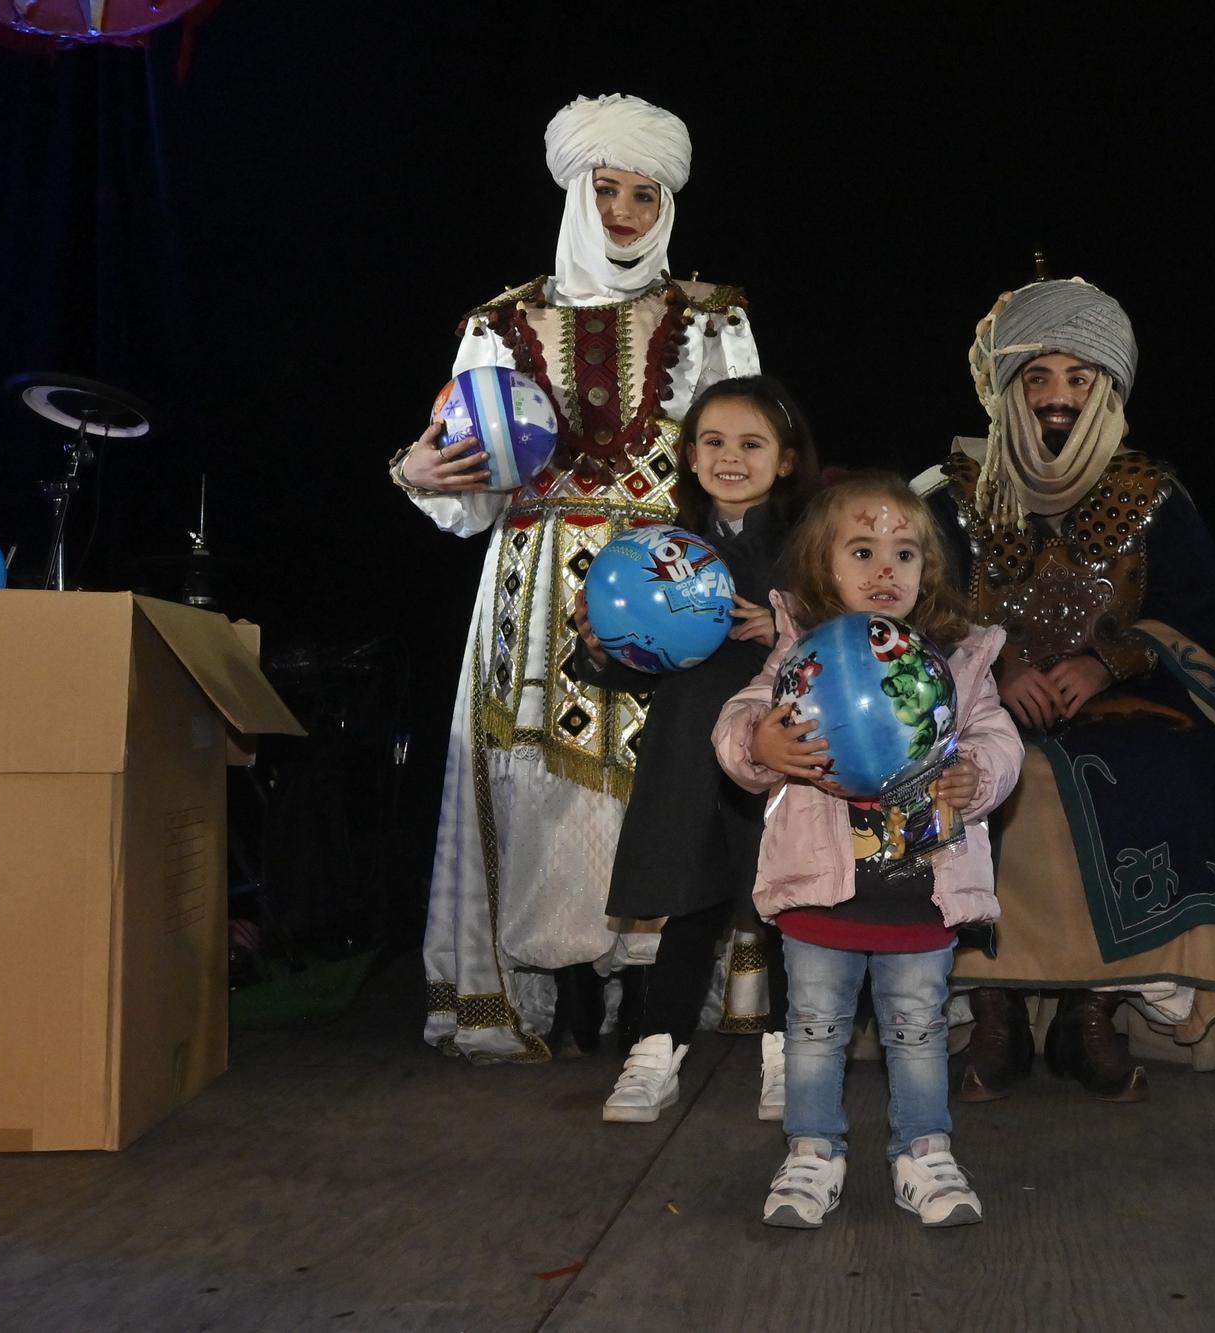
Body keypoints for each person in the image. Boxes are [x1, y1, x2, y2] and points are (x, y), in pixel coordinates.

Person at [391, 93, 759, 1062]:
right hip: (534, 583)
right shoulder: (498, 326)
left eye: (646, 193)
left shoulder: (713, 321)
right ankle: (563, 994)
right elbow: (463, 480)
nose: (627, 211)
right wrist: (419, 473)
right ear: (575, 196)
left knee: (661, 782)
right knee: (541, 790)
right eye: (608, 191)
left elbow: (746, 459)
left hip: (669, 583)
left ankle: (648, 987)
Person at [920, 279, 1215, 1104]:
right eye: (1037, 378)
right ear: (1007, 389)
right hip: (976, 699)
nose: (1058, 397)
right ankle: (991, 1010)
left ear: (1107, 387)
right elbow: (908, 606)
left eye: (1078, 378)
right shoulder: (947, 492)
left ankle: (1093, 1012)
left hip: (1123, 697)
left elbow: (1206, 614)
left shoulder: (1154, 493)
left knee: (1169, 760)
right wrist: (992, 670)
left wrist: (1108, 662)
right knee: (983, 769)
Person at [713, 472, 1023, 1229]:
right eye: (862, 550)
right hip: (821, 892)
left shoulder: (960, 657)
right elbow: (737, 723)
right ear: (825, 567)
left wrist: (977, 775)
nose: (886, 569)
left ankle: (924, 1149)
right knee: (814, 1030)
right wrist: (761, 741)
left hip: (922, 893)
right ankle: (813, 1150)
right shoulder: (798, 655)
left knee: (917, 1029)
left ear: (929, 571)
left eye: (905, 553)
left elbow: (999, 737)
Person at [565, 375, 816, 1122]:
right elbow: (631, 663)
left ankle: (788, 1056)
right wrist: (602, 646)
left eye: (751, 443)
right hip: (687, 750)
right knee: (690, 904)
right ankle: (655, 1052)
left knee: (780, 905)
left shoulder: (812, 550)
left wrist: (784, 631)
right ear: (690, 455)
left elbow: (853, 639)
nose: (730, 458)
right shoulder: (657, 550)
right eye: (712, 442)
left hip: (779, 754)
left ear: (787, 459)